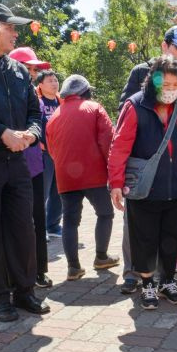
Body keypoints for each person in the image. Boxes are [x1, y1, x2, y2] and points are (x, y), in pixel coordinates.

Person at [0, 2, 50, 322]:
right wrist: (1, 132)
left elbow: (36, 113)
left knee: (24, 228)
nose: (16, 34)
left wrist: (31, 134)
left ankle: (24, 290)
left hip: (19, 163)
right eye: (11, 27)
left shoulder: (19, 71)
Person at [108, 55, 177, 310]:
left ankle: (167, 280)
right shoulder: (136, 105)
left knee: (172, 236)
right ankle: (147, 282)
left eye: (175, 85)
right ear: (153, 83)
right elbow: (119, 146)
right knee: (144, 237)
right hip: (144, 188)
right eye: (164, 84)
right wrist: (115, 182)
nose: (170, 90)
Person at [46, 75, 119, 280]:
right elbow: (108, 142)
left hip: (65, 177)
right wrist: (112, 171)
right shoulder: (94, 108)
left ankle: (73, 268)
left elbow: (52, 150)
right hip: (94, 173)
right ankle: (101, 257)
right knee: (105, 214)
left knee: (70, 221)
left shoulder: (54, 116)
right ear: (85, 92)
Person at [8, 54, 53, 288]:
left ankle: (39, 271)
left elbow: (36, 121)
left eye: (34, 71)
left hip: (34, 164)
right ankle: (15, 275)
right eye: (29, 69)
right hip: (7, 164)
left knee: (37, 218)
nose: (32, 74)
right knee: (15, 223)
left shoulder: (30, 95)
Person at [35, 69, 63, 239]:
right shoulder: (37, 102)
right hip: (44, 153)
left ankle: (53, 225)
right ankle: (40, 227)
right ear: (40, 84)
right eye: (50, 81)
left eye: (55, 80)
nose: (54, 83)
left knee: (58, 191)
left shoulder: (62, 101)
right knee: (43, 191)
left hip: (60, 153)